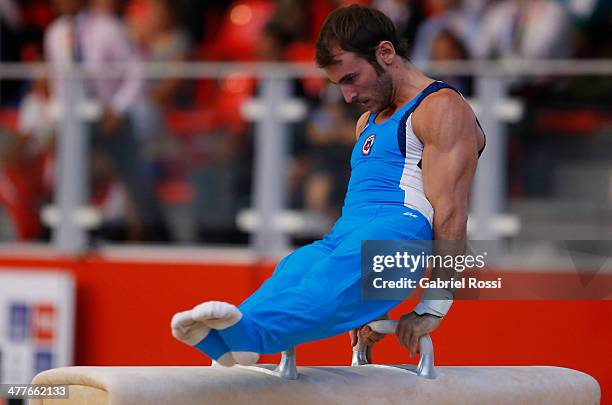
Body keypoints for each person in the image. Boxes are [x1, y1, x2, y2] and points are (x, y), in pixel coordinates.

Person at [171, 4, 485, 366]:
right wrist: (361, 305)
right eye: (339, 85)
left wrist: (434, 304)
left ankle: (250, 337)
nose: (348, 96)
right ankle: (235, 335)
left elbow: (451, 213)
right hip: (349, 233)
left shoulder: (441, 108)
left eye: (351, 78)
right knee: (295, 268)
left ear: (385, 53)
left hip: (399, 233)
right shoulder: (367, 121)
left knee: (330, 279)